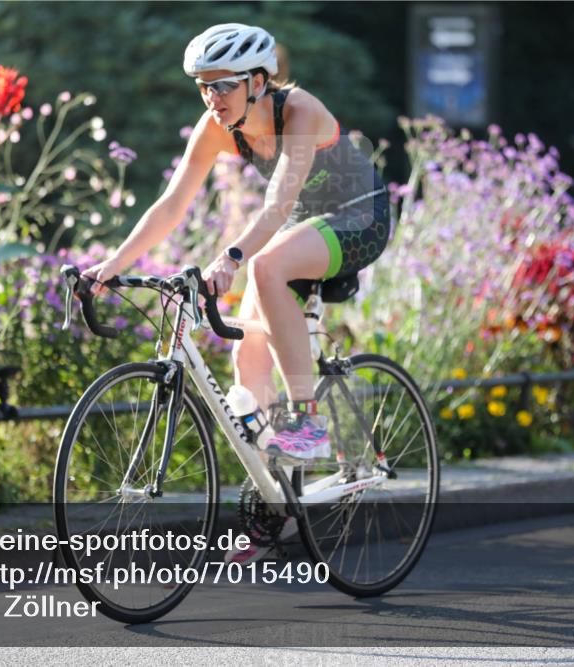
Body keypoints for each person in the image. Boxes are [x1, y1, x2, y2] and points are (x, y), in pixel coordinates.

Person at [83, 23, 390, 559]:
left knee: (265, 267)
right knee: (247, 346)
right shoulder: (217, 124)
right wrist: (109, 266)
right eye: (203, 85)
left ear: (257, 80)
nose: (211, 97)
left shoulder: (301, 111)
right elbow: (171, 205)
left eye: (222, 85)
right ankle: (274, 500)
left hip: (358, 216)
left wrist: (230, 257)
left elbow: (274, 204)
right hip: (303, 224)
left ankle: (309, 423)